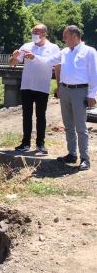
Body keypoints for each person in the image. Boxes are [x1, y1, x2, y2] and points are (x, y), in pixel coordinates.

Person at [9, 24, 61, 154]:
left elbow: (57, 66)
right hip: (26, 85)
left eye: (36, 32)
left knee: (41, 116)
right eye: (33, 32)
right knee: (26, 115)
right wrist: (14, 57)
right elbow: (12, 63)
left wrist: (59, 86)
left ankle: (40, 144)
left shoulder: (53, 47)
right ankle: (25, 143)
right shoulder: (26, 46)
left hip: (42, 86)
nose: (34, 34)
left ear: (44, 33)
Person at [54, 25, 97, 171]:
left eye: (65, 36)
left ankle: (85, 158)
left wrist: (92, 95)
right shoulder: (65, 52)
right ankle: (72, 154)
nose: (63, 39)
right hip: (65, 90)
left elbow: (94, 74)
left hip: (80, 91)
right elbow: (54, 64)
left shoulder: (89, 52)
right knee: (68, 125)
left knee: (81, 126)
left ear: (74, 36)